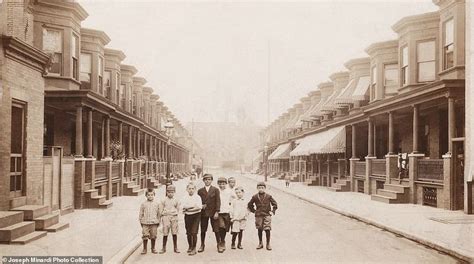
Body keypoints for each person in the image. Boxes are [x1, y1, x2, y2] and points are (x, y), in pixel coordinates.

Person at [247, 182, 278, 251]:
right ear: (257, 188)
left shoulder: (268, 196)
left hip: (267, 214)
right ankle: (260, 243)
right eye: (259, 188)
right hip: (258, 215)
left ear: (265, 188)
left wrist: (272, 211)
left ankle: (268, 243)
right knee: (259, 228)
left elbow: (275, 204)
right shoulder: (255, 196)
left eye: (262, 188)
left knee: (267, 229)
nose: (261, 189)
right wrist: (254, 211)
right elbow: (249, 204)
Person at [197, 174, 221, 253]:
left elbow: (218, 201)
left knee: (216, 229)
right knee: (203, 230)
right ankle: (202, 245)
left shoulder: (215, 190)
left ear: (211, 180)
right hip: (203, 213)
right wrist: (201, 206)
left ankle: (219, 244)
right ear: (203, 181)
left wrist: (217, 212)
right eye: (206, 179)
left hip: (213, 212)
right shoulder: (200, 191)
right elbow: (197, 201)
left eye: (209, 179)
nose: (207, 181)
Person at [181, 182, 202, 256]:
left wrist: (188, 208)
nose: (191, 190)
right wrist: (192, 207)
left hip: (196, 216)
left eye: (192, 189)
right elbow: (183, 207)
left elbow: (199, 207)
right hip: (187, 216)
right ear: (187, 189)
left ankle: (194, 248)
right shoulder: (184, 197)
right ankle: (190, 246)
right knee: (188, 232)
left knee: (194, 232)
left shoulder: (197, 197)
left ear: (195, 189)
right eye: (189, 189)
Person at [139, 188, 161, 254]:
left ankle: (153, 248)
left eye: (152, 195)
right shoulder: (143, 204)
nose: (150, 196)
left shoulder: (157, 204)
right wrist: (141, 221)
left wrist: (158, 221)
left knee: (153, 235)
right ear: (146, 196)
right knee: (145, 235)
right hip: (145, 222)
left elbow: (159, 214)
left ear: (154, 195)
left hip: (154, 222)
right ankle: (144, 249)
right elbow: (141, 213)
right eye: (148, 195)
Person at [159, 185, 180, 254]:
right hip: (166, 217)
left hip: (174, 217)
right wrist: (162, 215)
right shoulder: (163, 200)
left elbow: (177, 209)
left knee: (174, 232)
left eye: (172, 192)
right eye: (169, 192)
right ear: (166, 192)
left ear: (174, 192)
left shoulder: (176, 200)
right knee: (165, 232)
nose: (170, 193)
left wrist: (174, 214)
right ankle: (163, 247)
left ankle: (175, 247)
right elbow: (161, 210)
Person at [216, 177, 233, 253]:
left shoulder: (229, 191)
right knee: (221, 226)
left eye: (223, 184)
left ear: (226, 184)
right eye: (220, 184)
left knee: (225, 228)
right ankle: (221, 242)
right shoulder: (216, 191)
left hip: (227, 211)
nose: (222, 185)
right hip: (219, 212)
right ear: (218, 184)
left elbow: (234, 199)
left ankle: (223, 240)